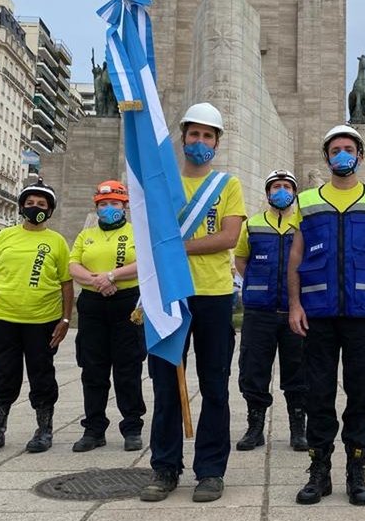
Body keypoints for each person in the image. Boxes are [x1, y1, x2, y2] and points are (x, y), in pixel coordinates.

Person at [140, 102, 247, 503]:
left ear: (217, 143)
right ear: (182, 138)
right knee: (166, 385)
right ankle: (165, 467)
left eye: (207, 136)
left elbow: (228, 237)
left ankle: (211, 470)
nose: (200, 142)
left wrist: (179, 247)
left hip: (213, 295)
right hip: (169, 294)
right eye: (194, 134)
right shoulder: (163, 184)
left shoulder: (228, 185)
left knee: (215, 385)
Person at [287, 124, 365, 506]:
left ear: (360, 155)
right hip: (317, 315)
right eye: (335, 150)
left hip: (363, 315)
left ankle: (356, 471)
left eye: (349, 149)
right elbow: (296, 256)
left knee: (362, 395)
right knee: (317, 395)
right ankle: (319, 472)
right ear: (326, 157)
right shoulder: (307, 201)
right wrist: (295, 305)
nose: (342, 155)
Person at [0, 179, 73, 455]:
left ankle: (44, 430)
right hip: (3, 319)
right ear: (21, 207)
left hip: (42, 322)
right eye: (30, 203)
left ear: (50, 210)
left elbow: (66, 283)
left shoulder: (56, 242)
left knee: (42, 376)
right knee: (5, 375)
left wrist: (65, 319)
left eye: (41, 204)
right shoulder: (4, 237)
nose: (35, 207)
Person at [68, 180, 146, 453]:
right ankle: (94, 429)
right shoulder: (86, 235)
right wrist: (97, 281)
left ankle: (132, 427)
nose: (108, 208)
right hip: (93, 303)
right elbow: (73, 264)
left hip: (127, 303)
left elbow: (145, 263)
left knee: (128, 368)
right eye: (103, 204)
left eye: (114, 203)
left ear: (125, 206)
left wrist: (112, 276)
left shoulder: (136, 232)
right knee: (93, 368)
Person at [233, 169, 307, 452]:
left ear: (295, 193)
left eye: (287, 186)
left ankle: (298, 429)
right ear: (267, 193)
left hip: (295, 311)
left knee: (298, 370)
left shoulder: (304, 224)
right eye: (276, 187)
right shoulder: (252, 225)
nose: (281, 191)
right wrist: (257, 284)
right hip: (259, 312)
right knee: (253, 370)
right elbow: (242, 260)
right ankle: (255, 428)